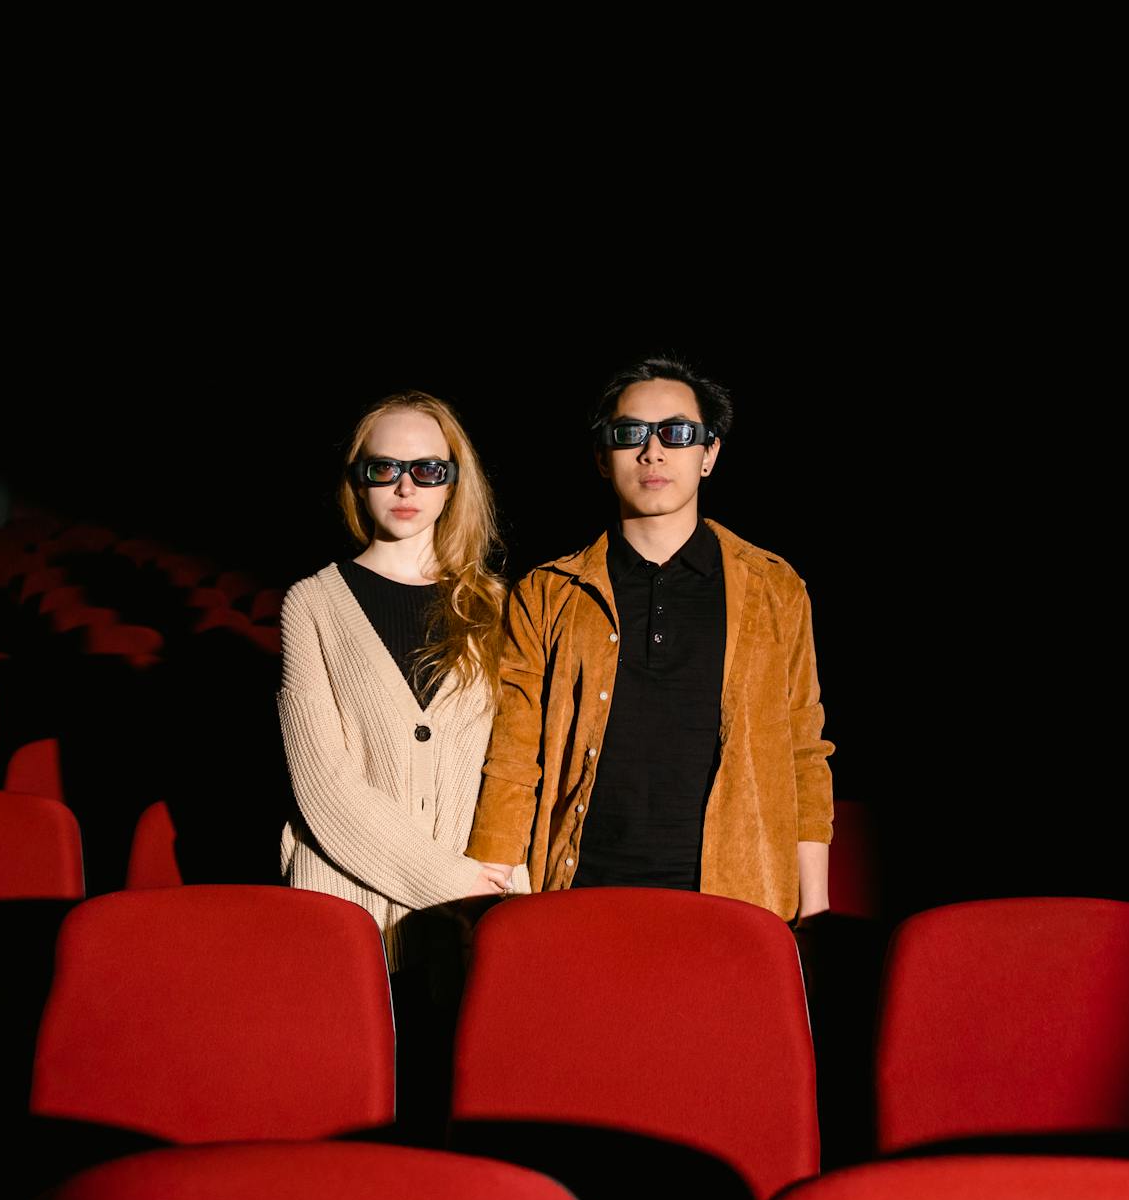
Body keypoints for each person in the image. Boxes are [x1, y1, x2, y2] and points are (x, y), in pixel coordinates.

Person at [464, 355, 834, 920]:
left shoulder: (774, 588)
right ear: (602, 456)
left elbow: (805, 753)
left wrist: (814, 909)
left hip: (734, 900)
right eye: (629, 433)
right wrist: (488, 902)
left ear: (709, 454)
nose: (653, 451)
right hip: (581, 892)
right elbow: (514, 757)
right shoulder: (548, 593)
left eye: (677, 433)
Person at [278, 391, 526, 971]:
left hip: (473, 920)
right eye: (384, 468)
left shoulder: (498, 609)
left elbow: (513, 766)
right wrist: (454, 883)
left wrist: (505, 886)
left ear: (452, 484)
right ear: (359, 482)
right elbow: (323, 785)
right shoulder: (311, 604)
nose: (405, 487)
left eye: (427, 470)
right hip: (346, 905)